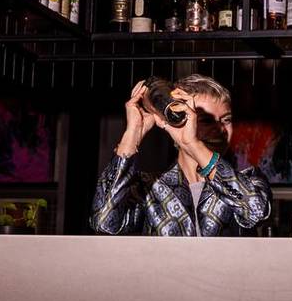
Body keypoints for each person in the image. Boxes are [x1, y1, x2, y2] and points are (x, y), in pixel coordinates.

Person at [90, 74, 272, 236]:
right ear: (178, 121)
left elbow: (256, 212)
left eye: (226, 120)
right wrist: (132, 134)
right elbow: (104, 223)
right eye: (206, 121)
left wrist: (192, 144)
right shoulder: (149, 188)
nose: (220, 130)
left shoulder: (249, 180)